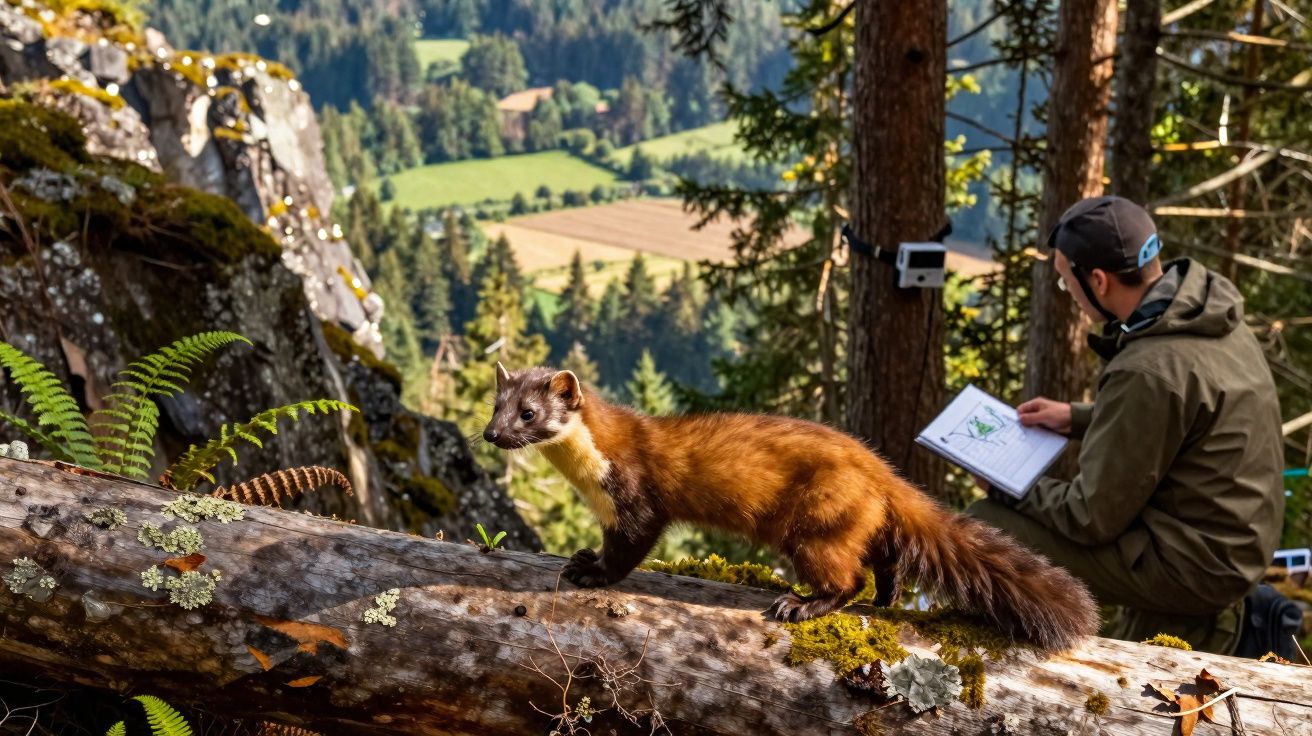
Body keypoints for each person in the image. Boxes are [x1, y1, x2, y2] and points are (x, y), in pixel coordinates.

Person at [967, 196, 1285, 654]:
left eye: (1064, 281)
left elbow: (1089, 516)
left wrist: (1008, 484)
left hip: (1199, 568)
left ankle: (1007, 658)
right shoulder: (1207, 316)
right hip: (1233, 544)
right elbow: (1185, 412)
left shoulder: (1147, 368)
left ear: (1097, 280)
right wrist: (1076, 417)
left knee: (985, 527)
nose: (1068, 292)